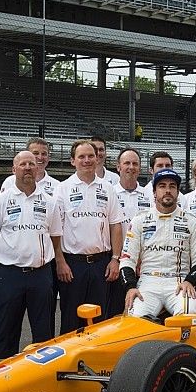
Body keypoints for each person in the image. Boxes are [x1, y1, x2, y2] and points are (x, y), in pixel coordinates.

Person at [0, 150, 62, 358]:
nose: (27, 168)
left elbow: (55, 235)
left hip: (41, 275)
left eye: (31, 164)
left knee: (43, 334)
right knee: (4, 332)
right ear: (13, 169)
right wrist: (6, 256)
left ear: (37, 169)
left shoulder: (49, 201)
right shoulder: (0, 202)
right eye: (22, 164)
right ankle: (0, 379)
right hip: (9, 275)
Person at [53, 139, 125, 333]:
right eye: (81, 156)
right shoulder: (62, 189)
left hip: (102, 264)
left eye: (90, 156)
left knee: (100, 321)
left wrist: (115, 259)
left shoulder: (108, 188)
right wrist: (60, 261)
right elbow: (55, 230)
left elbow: (116, 225)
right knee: (71, 319)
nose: (87, 160)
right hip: (72, 265)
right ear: (72, 161)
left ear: (97, 158)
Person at [121, 168, 196, 317]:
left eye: (172, 186)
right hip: (148, 281)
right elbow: (127, 260)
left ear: (178, 192)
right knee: (134, 316)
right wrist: (130, 287)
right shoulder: (140, 220)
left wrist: (190, 281)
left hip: (179, 282)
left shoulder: (191, 220)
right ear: (154, 192)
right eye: (162, 186)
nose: (167, 190)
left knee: (188, 313)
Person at [107, 147, 152, 317]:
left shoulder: (149, 196)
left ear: (139, 168)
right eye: (127, 163)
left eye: (135, 163)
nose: (131, 167)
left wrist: (142, 258)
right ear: (118, 167)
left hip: (143, 263)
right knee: (114, 311)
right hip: (116, 262)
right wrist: (115, 258)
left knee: (139, 311)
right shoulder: (109, 192)